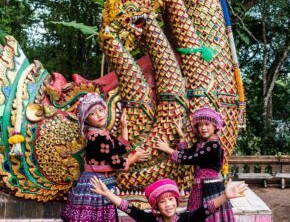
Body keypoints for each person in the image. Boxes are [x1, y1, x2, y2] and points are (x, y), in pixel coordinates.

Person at [62, 93, 150, 222]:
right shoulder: (98, 137)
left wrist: (124, 127)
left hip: (98, 180)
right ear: (86, 119)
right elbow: (116, 162)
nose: (99, 114)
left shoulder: (101, 134)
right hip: (97, 181)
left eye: (101, 110)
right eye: (92, 113)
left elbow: (119, 147)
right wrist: (134, 158)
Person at [155, 107, 235, 221]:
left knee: (208, 216)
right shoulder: (200, 143)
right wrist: (182, 137)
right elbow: (186, 154)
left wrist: (168, 149)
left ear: (215, 126)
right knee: (195, 216)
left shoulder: (214, 145)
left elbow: (190, 158)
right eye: (200, 125)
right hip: (199, 185)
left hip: (211, 187)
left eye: (207, 124)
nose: (203, 128)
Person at [91, 177, 247, 222]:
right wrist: (108, 194)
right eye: (162, 201)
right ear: (156, 206)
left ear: (176, 201)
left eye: (171, 199)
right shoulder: (149, 219)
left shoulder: (187, 218)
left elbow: (207, 208)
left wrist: (225, 196)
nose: (168, 205)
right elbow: (128, 208)